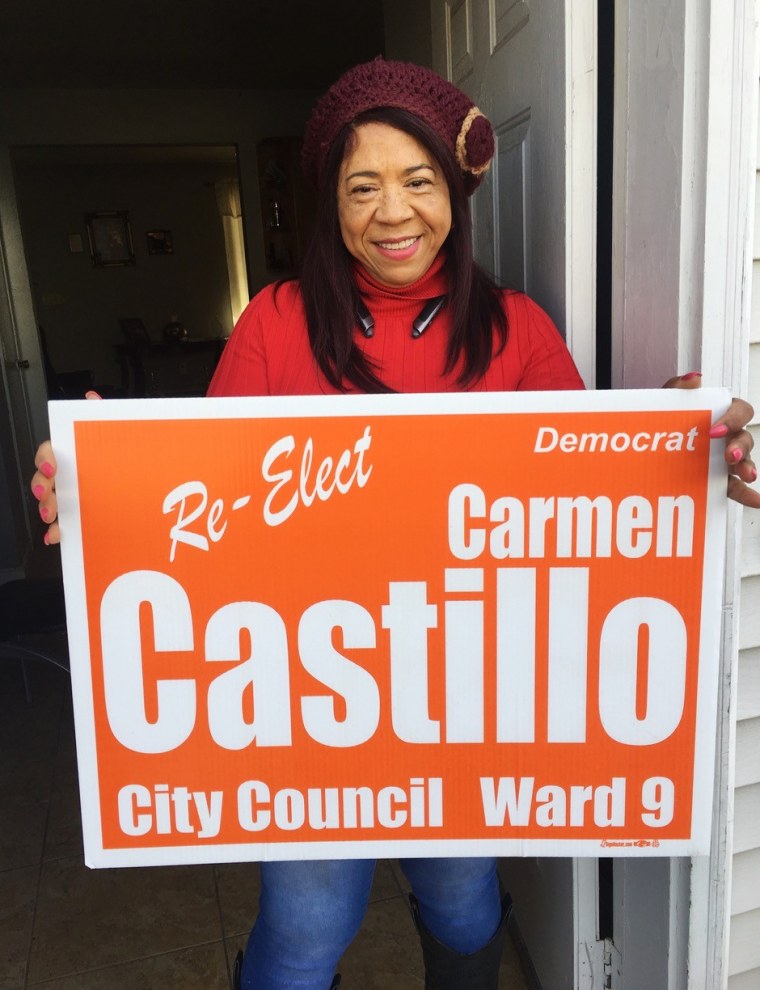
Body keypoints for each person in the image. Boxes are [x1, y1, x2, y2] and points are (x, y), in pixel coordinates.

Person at [31, 59, 759, 990]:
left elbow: (581, 486)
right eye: (362, 185)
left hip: (457, 699)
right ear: (330, 204)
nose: (393, 212)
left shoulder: (516, 330)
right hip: (305, 700)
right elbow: (201, 504)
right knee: (303, 938)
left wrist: (675, 449)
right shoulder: (274, 323)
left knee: (463, 909)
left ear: (455, 193)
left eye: (418, 181)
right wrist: (97, 488)